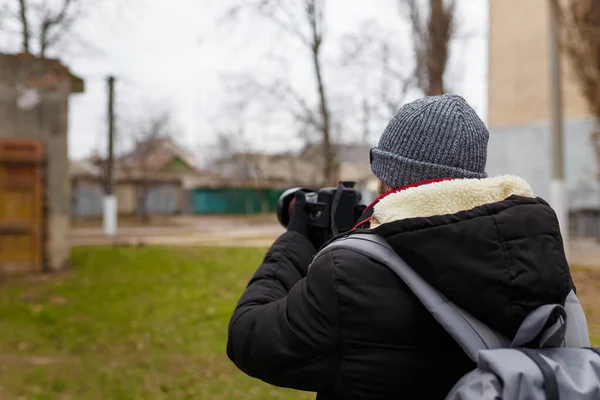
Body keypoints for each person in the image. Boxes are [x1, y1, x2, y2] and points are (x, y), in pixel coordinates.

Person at [226, 94, 575, 399]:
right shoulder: (537, 255)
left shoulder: (348, 275)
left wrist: (295, 240)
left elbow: (250, 340)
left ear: (385, 179)